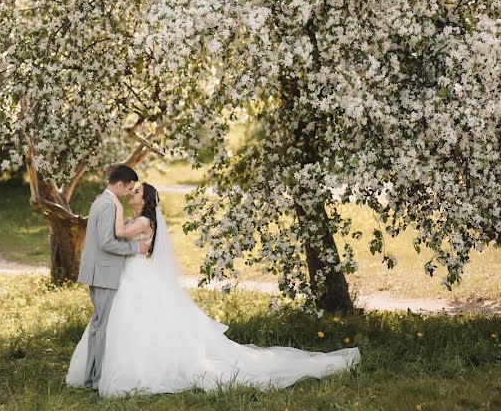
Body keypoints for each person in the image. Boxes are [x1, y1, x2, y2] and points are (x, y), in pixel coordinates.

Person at [67, 182, 361, 397]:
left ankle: (130, 372)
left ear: (144, 200)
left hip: (138, 278)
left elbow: (119, 234)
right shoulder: (142, 219)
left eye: (135, 192)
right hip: (133, 276)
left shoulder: (143, 220)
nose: (131, 194)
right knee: (127, 324)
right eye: (130, 191)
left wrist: (114, 205)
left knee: (134, 322)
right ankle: (105, 370)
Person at [74, 164, 150, 390]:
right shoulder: (108, 205)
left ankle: (91, 378)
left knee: (99, 326)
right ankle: (95, 381)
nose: (130, 193)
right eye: (129, 188)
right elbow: (107, 242)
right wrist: (135, 248)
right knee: (102, 327)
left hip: (100, 272)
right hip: (104, 273)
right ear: (119, 185)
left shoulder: (102, 201)